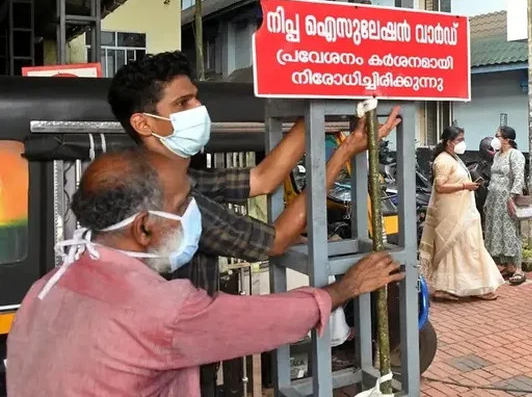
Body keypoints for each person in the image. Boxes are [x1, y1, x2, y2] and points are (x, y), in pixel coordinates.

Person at [107, 51, 400, 392]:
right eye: (184, 103)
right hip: (165, 372)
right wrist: (346, 152)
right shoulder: (172, 204)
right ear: (143, 123)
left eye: (196, 98)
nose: (199, 110)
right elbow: (276, 239)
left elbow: (262, 178)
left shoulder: (179, 177)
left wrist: (315, 107)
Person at [5, 149, 404, 396]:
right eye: (183, 206)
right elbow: (261, 320)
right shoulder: (159, 308)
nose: (192, 214)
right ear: (144, 226)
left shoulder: (48, 285)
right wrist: (344, 289)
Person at [419, 127, 504, 302]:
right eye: (459, 140)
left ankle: (475, 286)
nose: (462, 143)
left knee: (470, 248)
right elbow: (440, 186)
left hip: (465, 211)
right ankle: (447, 288)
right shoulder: (443, 161)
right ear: (449, 142)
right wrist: (465, 186)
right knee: (458, 249)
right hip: (452, 214)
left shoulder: (453, 158)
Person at [483, 126, 527, 286]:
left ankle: (518, 269)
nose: (495, 139)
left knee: (510, 232)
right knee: (497, 232)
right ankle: (507, 265)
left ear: (507, 139)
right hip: (494, 200)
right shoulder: (497, 156)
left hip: (507, 200)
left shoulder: (515, 155)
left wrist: (511, 197)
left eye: (498, 136)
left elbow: (518, 178)